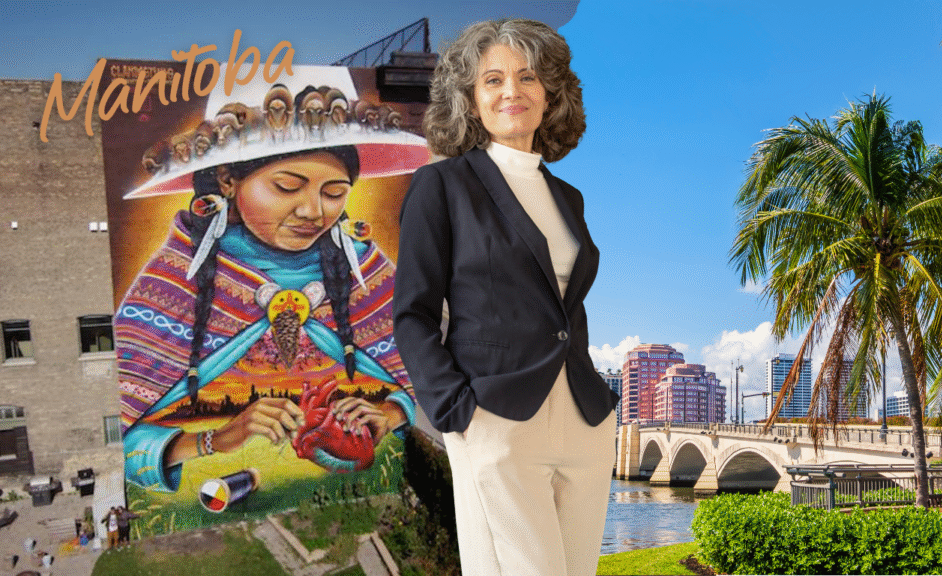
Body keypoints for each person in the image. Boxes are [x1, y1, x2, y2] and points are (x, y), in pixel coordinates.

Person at [115, 73, 422, 495]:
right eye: (286, 186)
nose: (313, 212)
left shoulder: (366, 270)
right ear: (227, 180)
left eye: (334, 192)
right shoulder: (173, 283)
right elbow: (130, 446)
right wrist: (217, 438)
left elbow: (416, 380)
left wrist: (389, 413)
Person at [393, 19, 618, 576]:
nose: (511, 91)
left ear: (551, 95)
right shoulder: (441, 186)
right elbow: (413, 313)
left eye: (527, 77)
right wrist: (457, 412)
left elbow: (563, 307)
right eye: (492, 79)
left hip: (584, 420)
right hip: (497, 417)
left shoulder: (569, 198)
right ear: (470, 99)